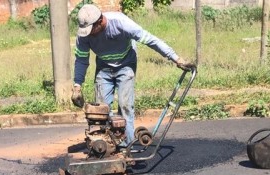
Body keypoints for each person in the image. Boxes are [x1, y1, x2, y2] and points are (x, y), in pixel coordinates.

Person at [70, 4, 195, 145]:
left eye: (91, 30)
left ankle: (126, 147)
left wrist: (176, 58)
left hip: (126, 64)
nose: (88, 33)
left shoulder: (121, 23)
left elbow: (151, 40)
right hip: (103, 67)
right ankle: (106, 145)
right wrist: (77, 85)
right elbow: (81, 59)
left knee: (125, 106)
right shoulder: (84, 34)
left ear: (100, 22)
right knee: (101, 110)